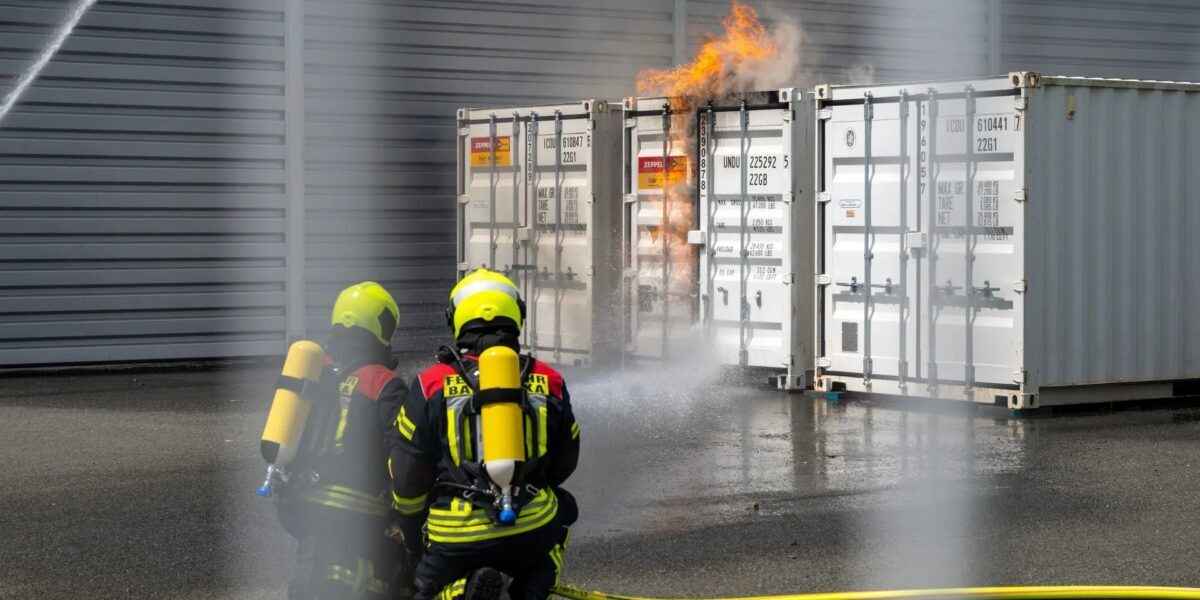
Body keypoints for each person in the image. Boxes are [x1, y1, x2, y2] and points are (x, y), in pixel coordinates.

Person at [387, 269, 580, 600]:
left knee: (424, 592)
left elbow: (406, 475)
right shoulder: (549, 379)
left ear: (457, 320)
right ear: (517, 317)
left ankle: (460, 592)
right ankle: (531, 591)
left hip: (456, 535)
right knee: (563, 511)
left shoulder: (429, 383)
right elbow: (565, 462)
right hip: (530, 527)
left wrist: (412, 531)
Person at [274, 281, 413, 599]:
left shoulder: (311, 368)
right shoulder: (384, 383)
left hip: (295, 498)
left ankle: (323, 575)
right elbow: (401, 454)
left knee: (331, 560)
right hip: (356, 506)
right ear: (383, 327)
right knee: (390, 572)